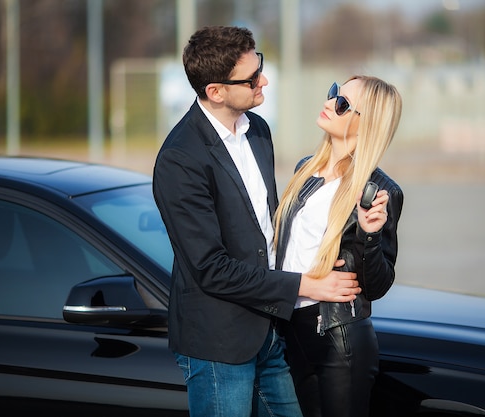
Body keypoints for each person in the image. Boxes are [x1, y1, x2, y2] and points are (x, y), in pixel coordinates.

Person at [152, 26, 361, 417]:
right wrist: (306, 284)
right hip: (220, 344)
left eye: (259, 65)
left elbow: (262, 231)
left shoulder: (258, 131)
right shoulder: (181, 159)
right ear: (215, 91)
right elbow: (211, 269)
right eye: (251, 79)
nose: (263, 80)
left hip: (269, 331)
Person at [273, 75, 404, 417]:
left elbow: (375, 285)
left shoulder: (377, 189)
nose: (330, 103)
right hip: (289, 328)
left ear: (367, 123)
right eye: (334, 93)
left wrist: (370, 233)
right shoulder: (306, 169)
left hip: (336, 337)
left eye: (343, 103)